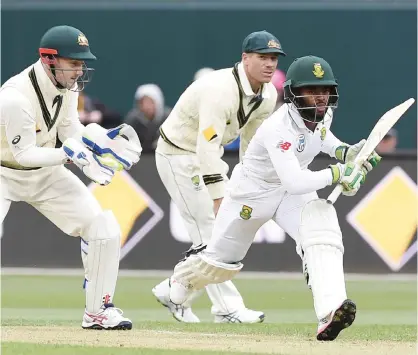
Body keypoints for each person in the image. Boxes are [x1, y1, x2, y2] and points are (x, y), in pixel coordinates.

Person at [167, 55, 381, 340]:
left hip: (289, 195)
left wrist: (344, 151)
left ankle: (330, 310)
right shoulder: (277, 127)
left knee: (322, 231)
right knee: (219, 265)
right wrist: (339, 172)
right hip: (252, 195)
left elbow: (323, 136)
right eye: (311, 90)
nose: (320, 97)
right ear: (293, 94)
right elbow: (294, 181)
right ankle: (179, 282)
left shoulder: (323, 113)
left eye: (325, 90)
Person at [0, 25, 142, 330]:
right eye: (74, 63)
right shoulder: (15, 97)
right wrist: (69, 154)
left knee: (103, 227)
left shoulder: (67, 88)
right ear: (50, 60)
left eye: (81, 63)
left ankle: (98, 312)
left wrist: (96, 144)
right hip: (3, 172)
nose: (79, 70)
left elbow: (69, 130)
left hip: (46, 173)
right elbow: (24, 154)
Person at [152, 30, 286, 323]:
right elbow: (207, 145)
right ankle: (226, 309)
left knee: (212, 237)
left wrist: (253, 180)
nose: (269, 64)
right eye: (262, 57)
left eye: (274, 58)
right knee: (210, 235)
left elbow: (253, 141)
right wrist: (218, 195)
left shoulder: (269, 94)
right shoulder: (219, 90)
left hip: (205, 155)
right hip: (177, 154)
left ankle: (173, 290)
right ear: (245, 58)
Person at [124, 84, 170, 152]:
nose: (146, 106)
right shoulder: (133, 119)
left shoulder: (168, 118)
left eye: (150, 102)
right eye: (142, 102)